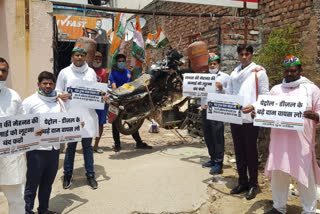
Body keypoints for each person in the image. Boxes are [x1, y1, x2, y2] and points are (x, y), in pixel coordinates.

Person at [247, 56, 320, 214]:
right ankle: (279, 207)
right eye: (286, 71)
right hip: (279, 142)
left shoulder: (311, 89)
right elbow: (265, 109)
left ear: (300, 70)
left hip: (302, 143)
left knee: (305, 178)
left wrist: (316, 116)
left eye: (293, 71)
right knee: (278, 175)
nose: (289, 74)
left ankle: (309, 210)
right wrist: (257, 114)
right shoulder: (276, 90)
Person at [228, 45, 269, 200]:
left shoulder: (259, 72)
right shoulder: (234, 73)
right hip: (235, 117)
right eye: (241, 54)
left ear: (251, 55)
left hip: (250, 117)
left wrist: (254, 106)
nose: (244, 57)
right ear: (238, 55)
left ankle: (253, 184)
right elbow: (230, 93)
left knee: (250, 151)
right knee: (238, 150)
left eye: (247, 54)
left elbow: (265, 95)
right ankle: (242, 182)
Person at [56, 44, 99, 189]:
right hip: (71, 116)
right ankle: (67, 174)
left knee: (87, 147)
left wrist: (101, 97)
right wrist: (60, 96)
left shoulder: (91, 72)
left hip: (87, 116)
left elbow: (96, 91)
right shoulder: (64, 72)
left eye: (82, 55)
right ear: (72, 57)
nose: (79, 58)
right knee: (71, 147)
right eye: (76, 55)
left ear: (85, 57)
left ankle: (90, 174)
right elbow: (57, 91)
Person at [23, 71, 63, 214]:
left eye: (51, 83)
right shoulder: (29, 102)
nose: (48, 86)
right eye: (45, 83)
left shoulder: (59, 102)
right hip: (36, 150)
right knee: (32, 183)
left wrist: (77, 125)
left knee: (48, 182)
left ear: (54, 85)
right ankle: (27, 210)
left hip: (54, 149)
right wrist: (34, 131)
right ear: (38, 84)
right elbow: (21, 125)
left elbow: (65, 121)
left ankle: (43, 209)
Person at [109, 54, 152, 152]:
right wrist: (117, 97)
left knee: (133, 121)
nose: (121, 63)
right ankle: (117, 144)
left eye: (123, 61)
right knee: (115, 123)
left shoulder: (128, 72)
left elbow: (132, 84)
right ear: (116, 62)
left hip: (130, 101)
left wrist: (132, 74)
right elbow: (114, 87)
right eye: (119, 61)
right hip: (118, 100)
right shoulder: (113, 74)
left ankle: (139, 142)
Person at [0, 57, 25, 214]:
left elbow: (23, 126)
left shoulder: (14, 96)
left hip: (10, 157)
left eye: (4, 70)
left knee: (16, 199)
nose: (0, 73)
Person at [201, 53, 230, 175]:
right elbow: (198, 91)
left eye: (214, 64)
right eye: (210, 64)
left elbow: (230, 93)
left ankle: (219, 163)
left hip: (217, 110)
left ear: (219, 64)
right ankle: (212, 159)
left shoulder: (225, 77)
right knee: (208, 136)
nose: (212, 66)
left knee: (217, 136)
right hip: (205, 109)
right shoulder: (203, 77)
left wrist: (221, 87)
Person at [93, 51, 108, 153]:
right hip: (89, 102)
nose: (98, 61)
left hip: (100, 101)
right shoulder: (87, 71)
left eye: (100, 59)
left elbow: (105, 86)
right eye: (96, 58)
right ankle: (87, 145)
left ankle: (96, 144)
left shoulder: (104, 72)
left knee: (100, 123)